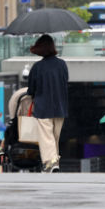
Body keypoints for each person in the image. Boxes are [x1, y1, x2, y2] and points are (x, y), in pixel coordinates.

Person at [27, 34, 69, 173]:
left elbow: (31, 89)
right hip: (60, 107)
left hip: (43, 107)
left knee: (47, 137)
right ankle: (54, 162)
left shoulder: (37, 67)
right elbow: (65, 82)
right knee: (54, 137)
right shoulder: (62, 64)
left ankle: (51, 163)